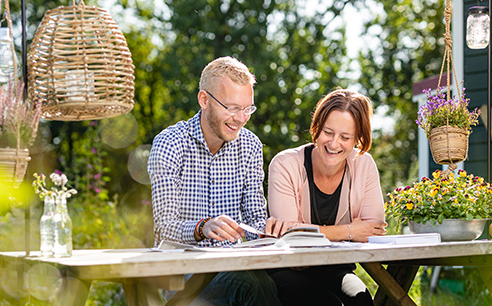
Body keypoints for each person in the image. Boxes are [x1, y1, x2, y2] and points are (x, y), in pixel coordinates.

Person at [147, 56, 280, 305]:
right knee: (250, 284)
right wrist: (202, 227)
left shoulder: (250, 145)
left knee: (283, 285)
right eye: (231, 108)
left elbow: (255, 218)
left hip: (236, 264)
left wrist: (268, 232)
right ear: (204, 100)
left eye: (247, 108)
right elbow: (163, 227)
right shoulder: (170, 143)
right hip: (184, 274)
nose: (240, 118)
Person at [265, 88, 387, 306]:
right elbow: (291, 235)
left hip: (335, 268)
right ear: (317, 128)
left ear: (358, 139)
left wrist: (309, 231)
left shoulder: (364, 165)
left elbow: (373, 230)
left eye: (345, 137)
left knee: (361, 300)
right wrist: (349, 231)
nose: (333, 144)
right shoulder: (285, 164)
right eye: (328, 132)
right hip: (288, 267)